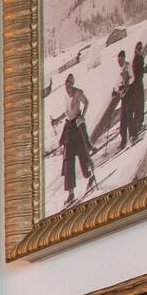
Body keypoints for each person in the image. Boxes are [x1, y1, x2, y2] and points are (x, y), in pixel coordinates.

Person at [56, 69, 99, 198]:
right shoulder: (66, 97)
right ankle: (71, 192)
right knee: (68, 160)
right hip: (69, 129)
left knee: (82, 155)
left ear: (73, 84)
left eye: (69, 84)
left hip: (77, 127)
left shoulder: (77, 93)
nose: (67, 86)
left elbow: (86, 102)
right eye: (66, 84)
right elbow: (66, 112)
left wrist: (82, 116)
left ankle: (90, 176)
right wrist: (57, 119)